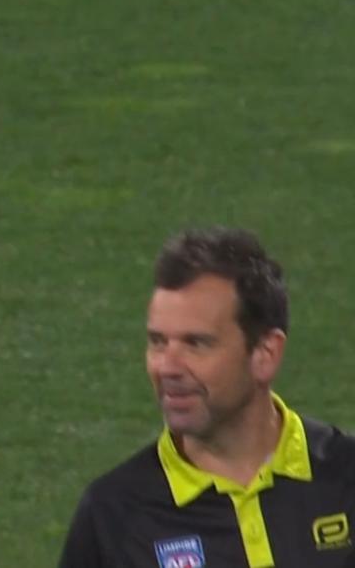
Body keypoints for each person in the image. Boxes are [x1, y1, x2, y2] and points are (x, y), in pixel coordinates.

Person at [58, 227, 355, 568]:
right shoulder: (114, 515)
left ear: (265, 354)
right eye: (157, 342)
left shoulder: (347, 476)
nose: (167, 367)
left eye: (196, 343)